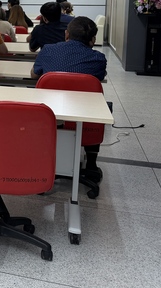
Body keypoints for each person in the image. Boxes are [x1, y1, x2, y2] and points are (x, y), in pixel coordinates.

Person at [31, 16, 107, 182]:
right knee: (99, 107)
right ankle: (91, 163)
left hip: (49, 111)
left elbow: (34, 75)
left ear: (66, 34)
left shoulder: (48, 50)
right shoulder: (98, 59)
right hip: (82, 112)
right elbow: (96, 80)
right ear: (93, 39)